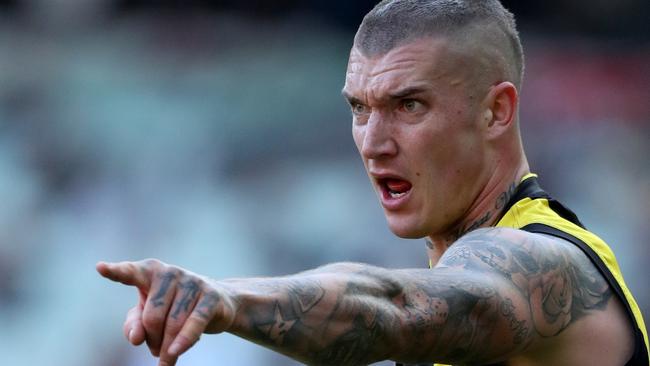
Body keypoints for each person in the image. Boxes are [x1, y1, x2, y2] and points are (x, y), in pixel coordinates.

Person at [96, 1, 649, 365]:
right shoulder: (462, 263)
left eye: (409, 105)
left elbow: (396, 306)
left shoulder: (548, 264)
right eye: (360, 108)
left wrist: (230, 300)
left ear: (497, 112)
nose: (372, 141)